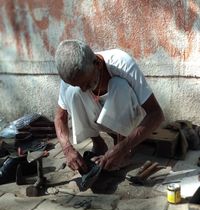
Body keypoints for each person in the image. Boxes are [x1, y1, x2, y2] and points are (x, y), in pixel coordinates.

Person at [54, 39, 164, 173]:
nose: (84, 89)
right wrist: (67, 149)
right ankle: (99, 144)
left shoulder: (121, 62)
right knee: (73, 93)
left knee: (119, 85)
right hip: (100, 120)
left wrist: (122, 148)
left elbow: (156, 114)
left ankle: (123, 150)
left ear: (98, 64)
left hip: (133, 118)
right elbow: (60, 117)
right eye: (78, 84)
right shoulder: (72, 73)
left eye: (87, 83)